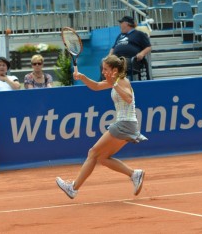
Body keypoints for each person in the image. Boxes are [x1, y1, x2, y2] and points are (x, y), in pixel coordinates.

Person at [56, 55, 148, 199]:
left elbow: (129, 98)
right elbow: (97, 86)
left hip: (124, 124)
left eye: (106, 69)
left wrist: (115, 84)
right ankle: (134, 174)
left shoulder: (122, 81)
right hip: (128, 125)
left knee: (93, 152)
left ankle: (73, 188)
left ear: (115, 70)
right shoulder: (114, 81)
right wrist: (82, 77)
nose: (103, 72)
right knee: (103, 158)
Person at [105, 15, 152, 80]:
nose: (120, 25)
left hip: (130, 59)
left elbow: (148, 47)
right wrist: (109, 55)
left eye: (121, 23)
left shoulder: (139, 34)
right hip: (116, 59)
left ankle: (119, 84)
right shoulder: (120, 35)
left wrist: (142, 53)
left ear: (126, 24)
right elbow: (113, 48)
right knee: (104, 62)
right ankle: (106, 85)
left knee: (119, 63)